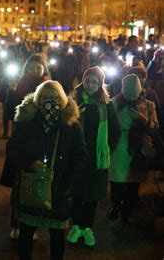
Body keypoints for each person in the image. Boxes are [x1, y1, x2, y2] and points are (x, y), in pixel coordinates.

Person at [7, 80, 86, 260]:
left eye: (54, 97)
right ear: (37, 99)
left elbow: (80, 156)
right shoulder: (27, 121)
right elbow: (13, 148)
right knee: (26, 234)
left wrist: (66, 181)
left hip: (58, 189)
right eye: (45, 97)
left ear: (62, 99)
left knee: (57, 236)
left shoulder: (72, 125)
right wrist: (30, 163)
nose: (49, 101)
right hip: (31, 185)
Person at [68, 67, 121, 246]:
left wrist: (107, 149)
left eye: (94, 82)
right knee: (76, 193)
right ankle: (75, 226)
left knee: (92, 195)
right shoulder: (73, 102)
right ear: (83, 81)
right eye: (88, 81)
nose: (90, 85)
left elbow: (116, 132)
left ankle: (87, 228)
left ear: (100, 84)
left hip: (97, 158)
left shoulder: (107, 105)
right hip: (76, 157)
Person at [109, 74, 160, 224]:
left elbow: (156, 129)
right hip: (119, 149)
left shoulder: (149, 105)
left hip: (138, 150)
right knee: (117, 182)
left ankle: (126, 212)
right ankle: (116, 205)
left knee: (133, 184)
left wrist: (143, 119)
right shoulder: (114, 103)